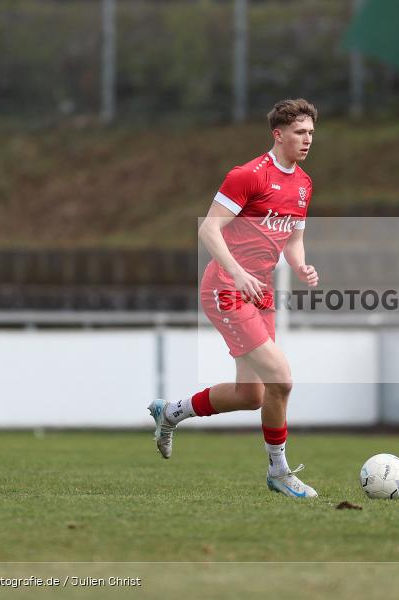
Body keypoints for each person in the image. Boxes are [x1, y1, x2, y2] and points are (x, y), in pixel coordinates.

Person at [148, 98, 320, 498]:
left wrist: (301, 265)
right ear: (278, 135)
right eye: (299, 132)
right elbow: (209, 230)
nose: (307, 139)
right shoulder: (248, 176)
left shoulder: (304, 184)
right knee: (282, 380)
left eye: (311, 132)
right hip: (226, 287)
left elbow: (293, 239)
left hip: (259, 292)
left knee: (252, 395)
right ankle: (278, 472)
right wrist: (238, 272)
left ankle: (170, 412)